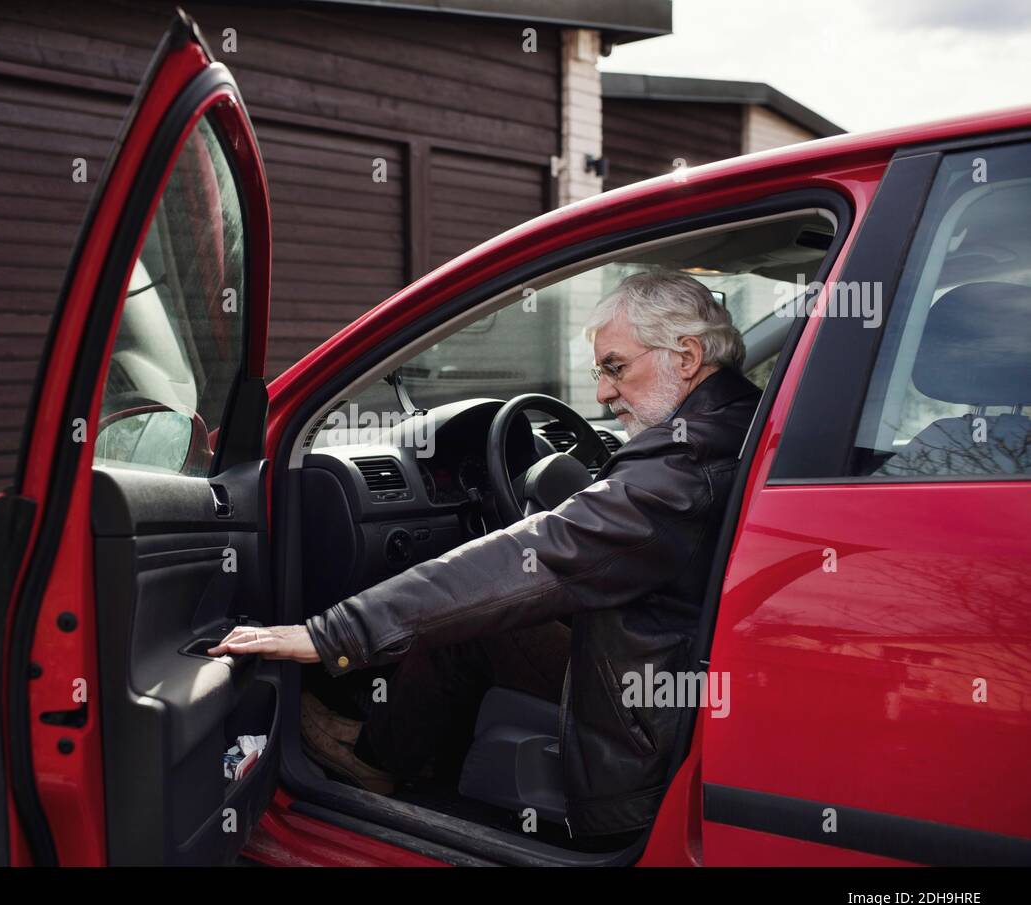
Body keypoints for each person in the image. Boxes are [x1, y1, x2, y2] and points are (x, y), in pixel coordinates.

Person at [210, 270, 761, 841]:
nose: (602, 392)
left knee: (475, 622)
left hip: (648, 730)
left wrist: (333, 634)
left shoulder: (682, 465)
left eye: (616, 367)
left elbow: (545, 551)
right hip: (676, 678)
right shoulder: (742, 418)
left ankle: (375, 759)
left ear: (688, 355)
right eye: (599, 372)